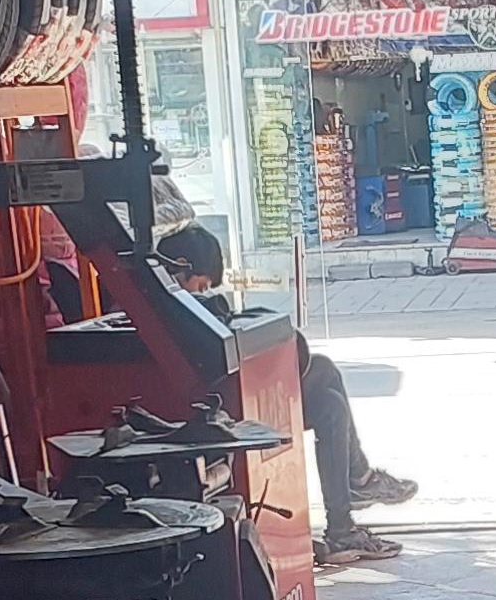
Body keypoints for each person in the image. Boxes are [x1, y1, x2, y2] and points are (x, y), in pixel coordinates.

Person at [157, 224, 414, 563]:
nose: (202, 294)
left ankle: (346, 516)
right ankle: (355, 488)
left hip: (228, 395)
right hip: (216, 407)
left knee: (329, 402)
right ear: (180, 267)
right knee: (325, 380)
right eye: (201, 285)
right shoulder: (168, 305)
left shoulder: (171, 302)